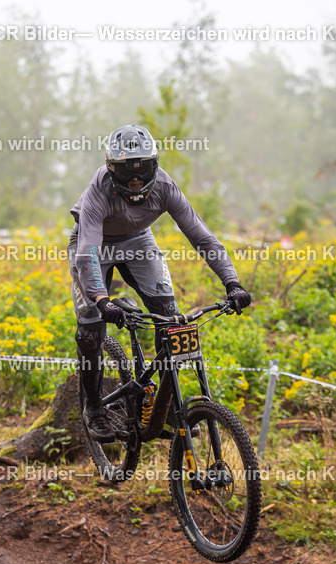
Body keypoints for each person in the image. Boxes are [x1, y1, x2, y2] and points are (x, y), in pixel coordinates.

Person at [68, 124, 252, 441]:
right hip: (93, 244)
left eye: (142, 168)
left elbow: (202, 236)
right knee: (91, 326)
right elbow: (87, 254)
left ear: (154, 164)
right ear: (111, 169)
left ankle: (165, 406)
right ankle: (94, 407)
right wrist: (101, 300)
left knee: (171, 320)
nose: (136, 179)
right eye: (127, 171)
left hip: (138, 241)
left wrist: (232, 282)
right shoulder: (100, 190)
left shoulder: (165, 186)